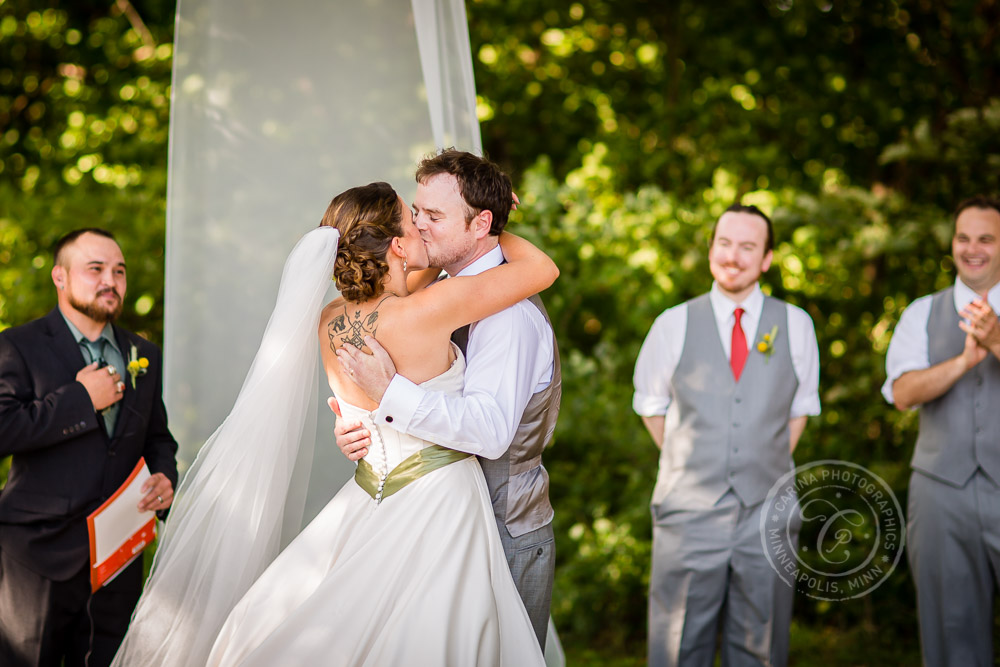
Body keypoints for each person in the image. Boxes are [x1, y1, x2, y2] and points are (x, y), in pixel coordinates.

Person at [114, 182, 557, 666]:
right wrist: (493, 219)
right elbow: (540, 270)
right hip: (438, 496)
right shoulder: (428, 310)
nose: (423, 229)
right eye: (414, 221)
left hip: (370, 493)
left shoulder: (327, 321)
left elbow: (360, 412)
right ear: (396, 245)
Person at [334, 149, 561, 649]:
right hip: (430, 521)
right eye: (416, 212)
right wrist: (362, 424)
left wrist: (388, 394)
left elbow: (488, 432)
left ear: (482, 224)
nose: (417, 228)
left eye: (434, 216)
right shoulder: (431, 290)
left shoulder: (510, 317)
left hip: (503, 529)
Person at [632, 203, 820, 667]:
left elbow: (799, 412)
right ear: (712, 247)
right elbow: (651, 408)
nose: (733, 256)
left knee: (762, 648)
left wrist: (757, 462)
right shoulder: (673, 323)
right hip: (688, 513)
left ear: (767, 259)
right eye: (724, 243)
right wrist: (695, 461)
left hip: (766, 515)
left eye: (748, 247)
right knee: (678, 649)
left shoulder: (795, 325)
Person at [0, 228, 178, 667]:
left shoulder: (144, 353)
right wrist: (81, 400)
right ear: (60, 278)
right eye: (95, 269)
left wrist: (164, 476)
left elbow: (157, 438)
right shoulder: (17, 346)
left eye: (118, 271)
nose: (110, 281)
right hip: (37, 555)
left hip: (117, 557)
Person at [882, 196, 1000, 666]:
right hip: (940, 495)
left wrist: (996, 340)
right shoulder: (919, 313)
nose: (972, 249)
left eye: (986, 239)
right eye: (963, 238)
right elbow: (903, 392)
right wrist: (962, 362)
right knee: (950, 634)